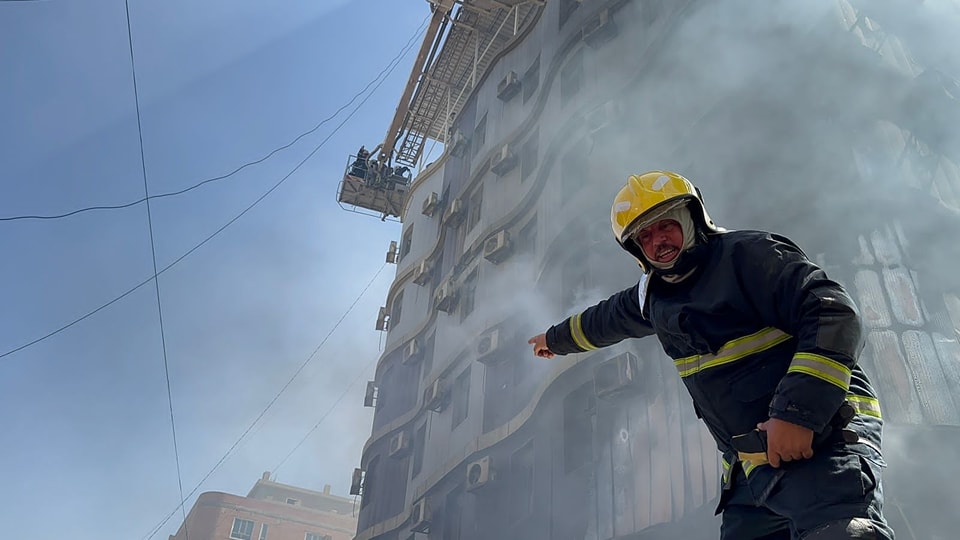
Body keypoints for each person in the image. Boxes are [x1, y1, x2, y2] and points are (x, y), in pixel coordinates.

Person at [528, 171, 893, 539]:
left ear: (693, 218)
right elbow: (604, 320)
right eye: (645, 236)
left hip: (819, 438)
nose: (658, 241)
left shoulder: (747, 255)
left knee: (839, 533)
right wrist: (554, 339)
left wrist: (797, 415)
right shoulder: (652, 297)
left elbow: (832, 312)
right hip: (752, 468)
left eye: (666, 226)